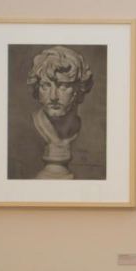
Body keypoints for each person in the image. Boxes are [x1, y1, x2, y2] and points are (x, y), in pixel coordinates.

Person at [27, 45, 96, 179]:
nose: (53, 96)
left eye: (63, 86)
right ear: (37, 89)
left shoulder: (85, 130)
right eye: (45, 86)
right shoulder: (27, 126)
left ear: (79, 90)